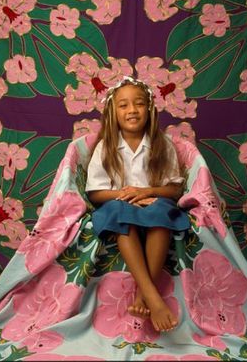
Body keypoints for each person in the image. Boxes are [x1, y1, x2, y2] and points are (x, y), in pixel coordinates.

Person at [85, 76, 190, 333]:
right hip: (117, 205)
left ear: (150, 109)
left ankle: (144, 297)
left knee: (162, 216)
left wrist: (147, 191)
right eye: (123, 105)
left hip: (153, 202)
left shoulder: (162, 144)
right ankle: (154, 297)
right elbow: (96, 193)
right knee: (122, 217)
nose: (132, 110)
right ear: (113, 113)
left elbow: (174, 189)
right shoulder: (105, 147)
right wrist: (125, 195)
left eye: (139, 104)